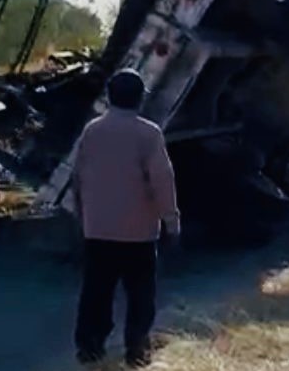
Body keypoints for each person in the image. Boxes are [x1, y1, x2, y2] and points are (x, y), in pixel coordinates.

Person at [71, 68, 181, 368]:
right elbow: (162, 181)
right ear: (140, 99)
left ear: (109, 97)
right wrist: (171, 222)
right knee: (140, 295)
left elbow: (78, 177)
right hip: (139, 233)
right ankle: (136, 350)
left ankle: (89, 348)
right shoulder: (149, 134)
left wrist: (84, 217)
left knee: (96, 292)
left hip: (98, 231)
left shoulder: (92, 131)